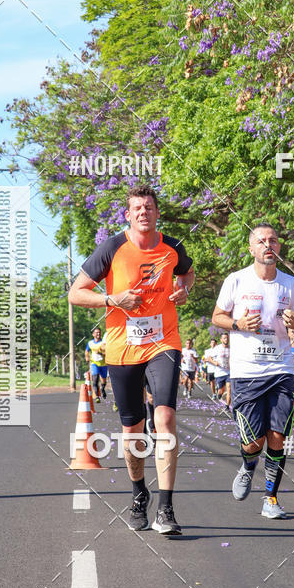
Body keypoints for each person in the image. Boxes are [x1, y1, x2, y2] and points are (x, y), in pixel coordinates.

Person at [68, 184, 195, 535]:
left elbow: (187, 272)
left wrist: (184, 289)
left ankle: (166, 508)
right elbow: (75, 293)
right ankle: (140, 493)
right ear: (128, 215)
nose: (143, 212)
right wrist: (113, 300)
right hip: (122, 348)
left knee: (165, 417)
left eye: (149, 207)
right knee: (132, 430)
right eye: (137, 208)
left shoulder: (173, 247)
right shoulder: (111, 248)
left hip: (163, 342)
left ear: (157, 213)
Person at [212, 223, 294, 519]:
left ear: (279, 247)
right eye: (262, 241)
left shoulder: (290, 284)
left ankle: (271, 498)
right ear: (251, 248)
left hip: (281, 369)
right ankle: (248, 464)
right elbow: (217, 317)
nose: (269, 245)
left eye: (273, 240)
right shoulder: (236, 280)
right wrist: (238, 324)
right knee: (253, 442)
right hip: (246, 372)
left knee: (277, 436)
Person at [209, 332, 231, 411]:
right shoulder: (217, 348)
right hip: (219, 373)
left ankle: (227, 406)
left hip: (229, 372)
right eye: (224, 338)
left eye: (227, 338)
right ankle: (219, 393)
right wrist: (214, 362)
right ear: (221, 339)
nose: (226, 339)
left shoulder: (231, 348)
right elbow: (209, 358)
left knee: (229, 388)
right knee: (221, 391)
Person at [85, 326, 108, 400]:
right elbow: (87, 351)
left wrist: (100, 353)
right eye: (96, 332)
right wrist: (87, 357)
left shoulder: (103, 343)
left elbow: (107, 353)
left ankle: (102, 389)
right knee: (95, 380)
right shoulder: (90, 343)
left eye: (99, 332)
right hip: (94, 363)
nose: (98, 334)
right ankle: (97, 396)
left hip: (103, 364)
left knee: (103, 380)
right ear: (93, 334)